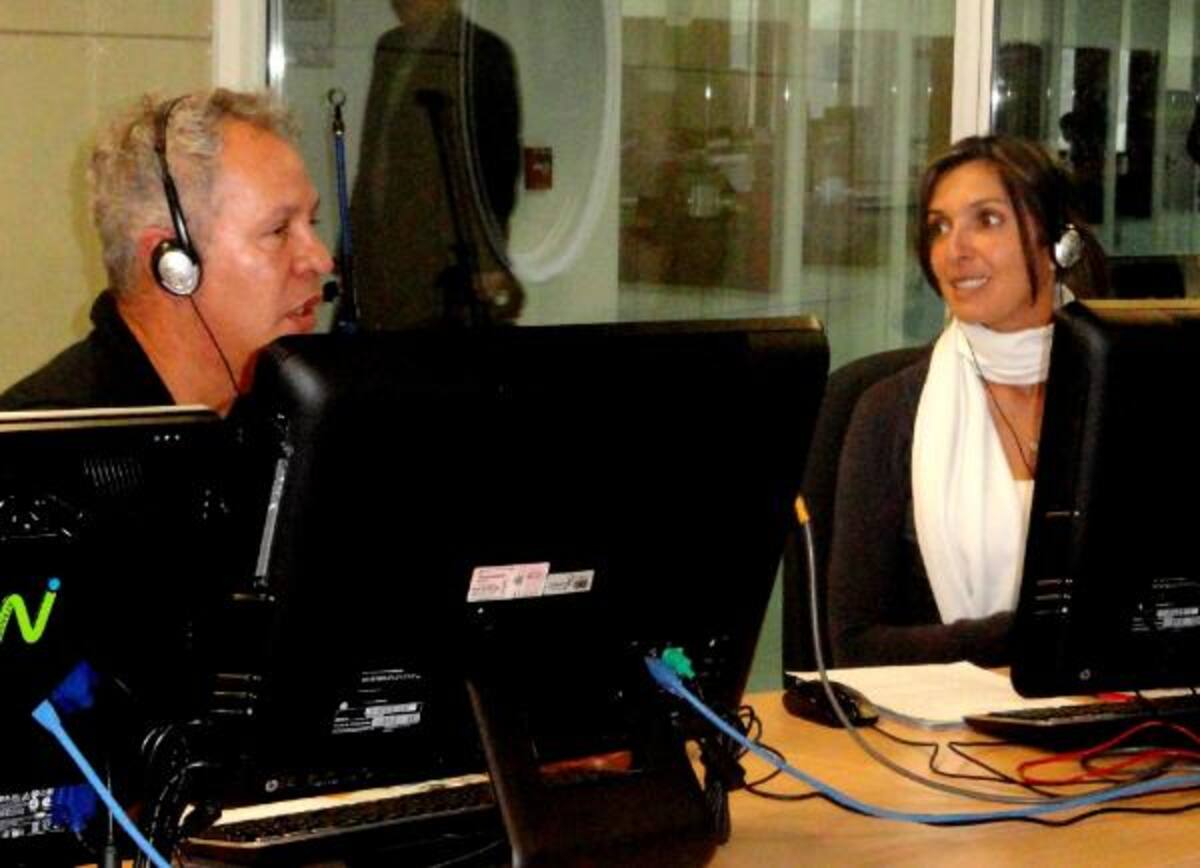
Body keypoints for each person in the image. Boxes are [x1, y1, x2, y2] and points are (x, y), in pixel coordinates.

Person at [826, 135, 1107, 667]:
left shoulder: (1120, 394)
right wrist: (1026, 634)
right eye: (940, 227)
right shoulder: (889, 411)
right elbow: (855, 645)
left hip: (1119, 723)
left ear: (1058, 244)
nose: (954, 251)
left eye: (988, 220)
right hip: (938, 740)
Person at [0, 89, 333, 416]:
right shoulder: (42, 453)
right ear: (173, 266)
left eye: (313, 221)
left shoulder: (292, 421)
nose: (321, 259)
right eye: (278, 231)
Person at [351, 0, 523, 329]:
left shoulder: (481, 51)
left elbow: (499, 166)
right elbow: (374, 150)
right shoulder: (389, 48)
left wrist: (490, 257)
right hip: (382, 243)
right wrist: (353, 237)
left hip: (445, 246)